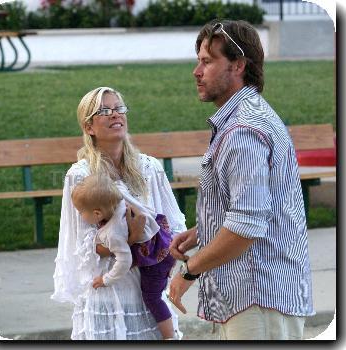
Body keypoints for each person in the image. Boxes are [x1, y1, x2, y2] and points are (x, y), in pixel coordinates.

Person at [168, 19, 315, 340]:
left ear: (238, 65)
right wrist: (200, 233)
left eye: (207, 61)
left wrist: (188, 271)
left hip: (257, 299)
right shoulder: (247, 117)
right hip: (258, 298)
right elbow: (254, 207)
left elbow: (246, 226)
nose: (196, 71)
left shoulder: (243, 131)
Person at [51, 86, 186, 340]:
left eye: (119, 108)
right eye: (104, 111)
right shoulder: (80, 176)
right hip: (108, 288)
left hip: (149, 284)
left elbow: (174, 224)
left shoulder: (149, 168)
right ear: (89, 127)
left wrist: (164, 259)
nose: (115, 115)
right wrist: (131, 238)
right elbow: (84, 245)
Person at [70, 173, 176, 339]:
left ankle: (170, 337)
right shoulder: (118, 194)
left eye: (81, 212)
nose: (80, 215)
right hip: (162, 242)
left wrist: (106, 279)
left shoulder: (112, 233)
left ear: (97, 214)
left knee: (152, 298)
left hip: (156, 261)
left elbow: (124, 261)